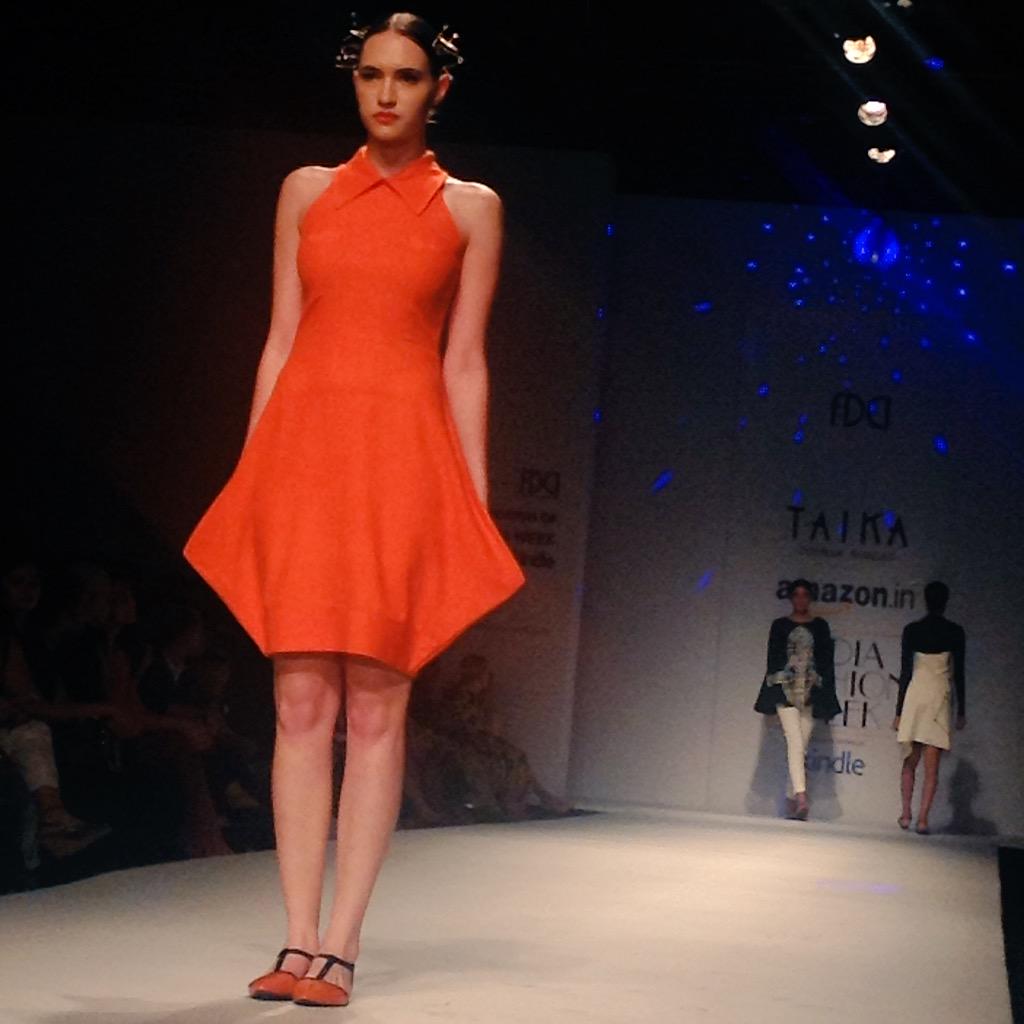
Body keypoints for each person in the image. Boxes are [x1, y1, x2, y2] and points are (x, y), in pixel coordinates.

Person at [182, 12, 525, 1007]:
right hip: (305, 459)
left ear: (438, 90)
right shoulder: (305, 191)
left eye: (406, 77)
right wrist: (253, 469)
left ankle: (340, 944)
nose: (384, 93)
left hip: (402, 467)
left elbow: (466, 361)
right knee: (298, 703)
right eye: (370, 73)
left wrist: (471, 497)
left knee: (377, 705)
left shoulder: (470, 209)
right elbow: (280, 337)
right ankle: (295, 939)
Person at [754, 579, 841, 820]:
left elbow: (826, 663)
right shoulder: (780, 626)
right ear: (791, 598)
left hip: (812, 694)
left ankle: (792, 799)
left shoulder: (820, 627)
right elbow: (773, 660)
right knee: (795, 741)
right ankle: (802, 798)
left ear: (810, 598)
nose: (801, 599)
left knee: (800, 745)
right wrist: (773, 691)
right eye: (797, 595)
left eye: (805, 595)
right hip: (785, 693)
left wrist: (823, 693)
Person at [893, 581, 966, 835]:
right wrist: (962, 710)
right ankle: (921, 819)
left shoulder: (913, 630)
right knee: (930, 765)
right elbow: (960, 674)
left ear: (926, 600)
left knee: (911, 759)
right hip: (937, 697)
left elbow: (905, 673)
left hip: (917, 696)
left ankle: (907, 814)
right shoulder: (955, 632)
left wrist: (899, 712)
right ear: (946, 601)